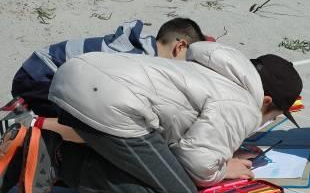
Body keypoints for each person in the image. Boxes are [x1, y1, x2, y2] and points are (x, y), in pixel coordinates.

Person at [0, 42, 302, 193]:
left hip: (73, 79)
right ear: (266, 101)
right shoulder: (244, 104)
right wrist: (225, 168)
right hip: (111, 103)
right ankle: (56, 157)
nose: (266, 120)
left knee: (152, 163)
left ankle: (22, 158)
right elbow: (199, 166)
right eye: (272, 115)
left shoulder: (219, 71)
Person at [9, 17, 212, 118]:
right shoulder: (136, 59)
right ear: (180, 46)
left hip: (39, 70)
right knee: (86, 123)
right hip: (41, 75)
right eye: (188, 61)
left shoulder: (142, 47)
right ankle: (28, 128)